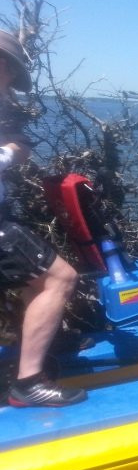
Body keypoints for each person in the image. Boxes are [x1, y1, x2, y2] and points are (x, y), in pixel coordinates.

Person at [0, 29, 86, 407]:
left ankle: (27, 358)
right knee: (60, 278)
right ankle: (28, 383)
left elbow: (19, 145)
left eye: (8, 67)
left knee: (35, 281)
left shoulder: (5, 105)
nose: (5, 72)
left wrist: (6, 155)